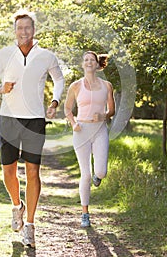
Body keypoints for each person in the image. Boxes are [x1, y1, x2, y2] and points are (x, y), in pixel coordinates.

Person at [0, 12, 64, 247]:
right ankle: (17, 206)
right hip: (8, 119)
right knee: (8, 172)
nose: (24, 32)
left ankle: (30, 225)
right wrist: (1, 88)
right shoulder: (4, 55)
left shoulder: (46, 55)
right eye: (20, 28)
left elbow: (58, 79)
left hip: (34, 121)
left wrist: (55, 101)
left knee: (32, 173)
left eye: (28, 28)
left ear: (34, 30)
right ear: (15, 30)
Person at [64, 51, 115, 228]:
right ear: (83, 64)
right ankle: (85, 214)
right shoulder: (76, 86)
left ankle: (97, 176)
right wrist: (73, 124)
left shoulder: (107, 85)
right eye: (85, 60)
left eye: (91, 60)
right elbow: (68, 109)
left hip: (100, 129)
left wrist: (102, 115)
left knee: (101, 172)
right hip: (81, 131)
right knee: (85, 174)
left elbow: (111, 111)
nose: (88, 62)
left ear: (97, 64)